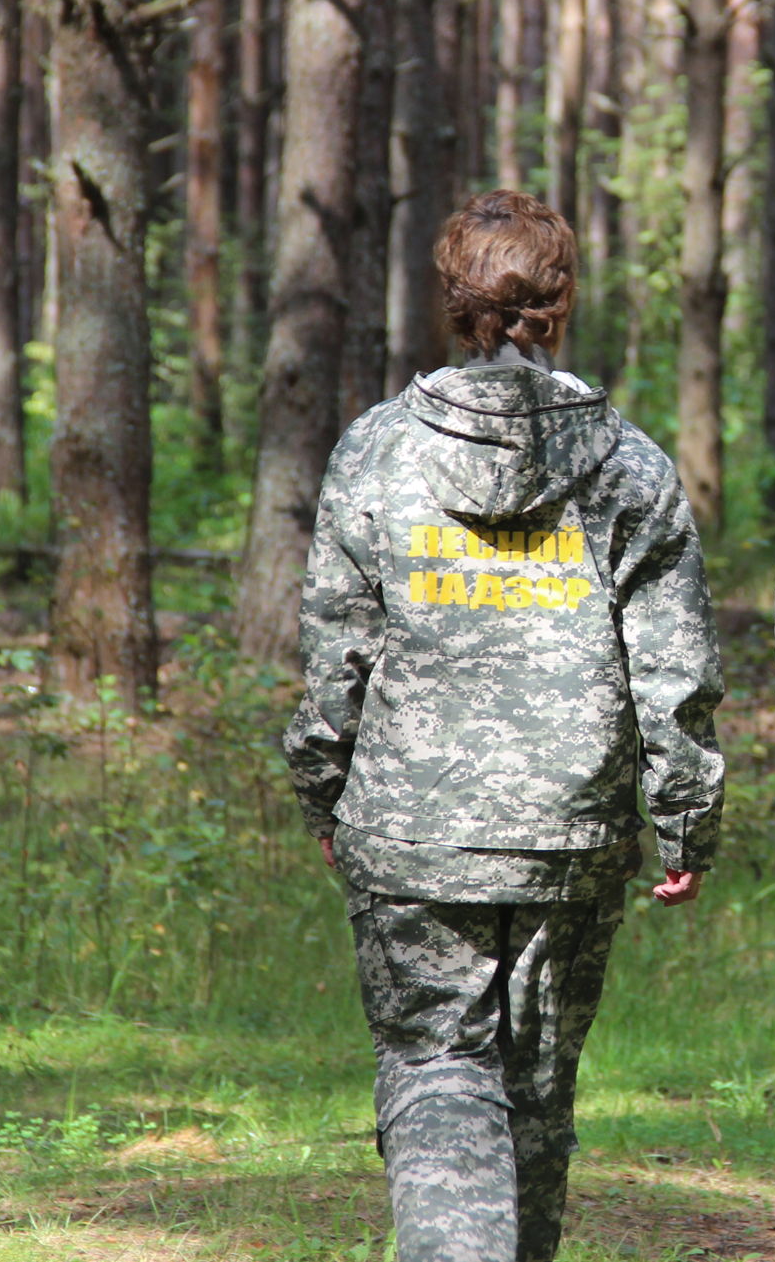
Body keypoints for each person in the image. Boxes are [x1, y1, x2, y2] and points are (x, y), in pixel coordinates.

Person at [285, 189, 726, 1262]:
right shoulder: (626, 465)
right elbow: (673, 672)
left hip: (409, 828)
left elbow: (335, 649)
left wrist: (323, 784)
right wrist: (684, 818)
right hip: (566, 834)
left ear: (453, 301)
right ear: (557, 304)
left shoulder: (378, 452)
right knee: (534, 1094)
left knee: (437, 1069)